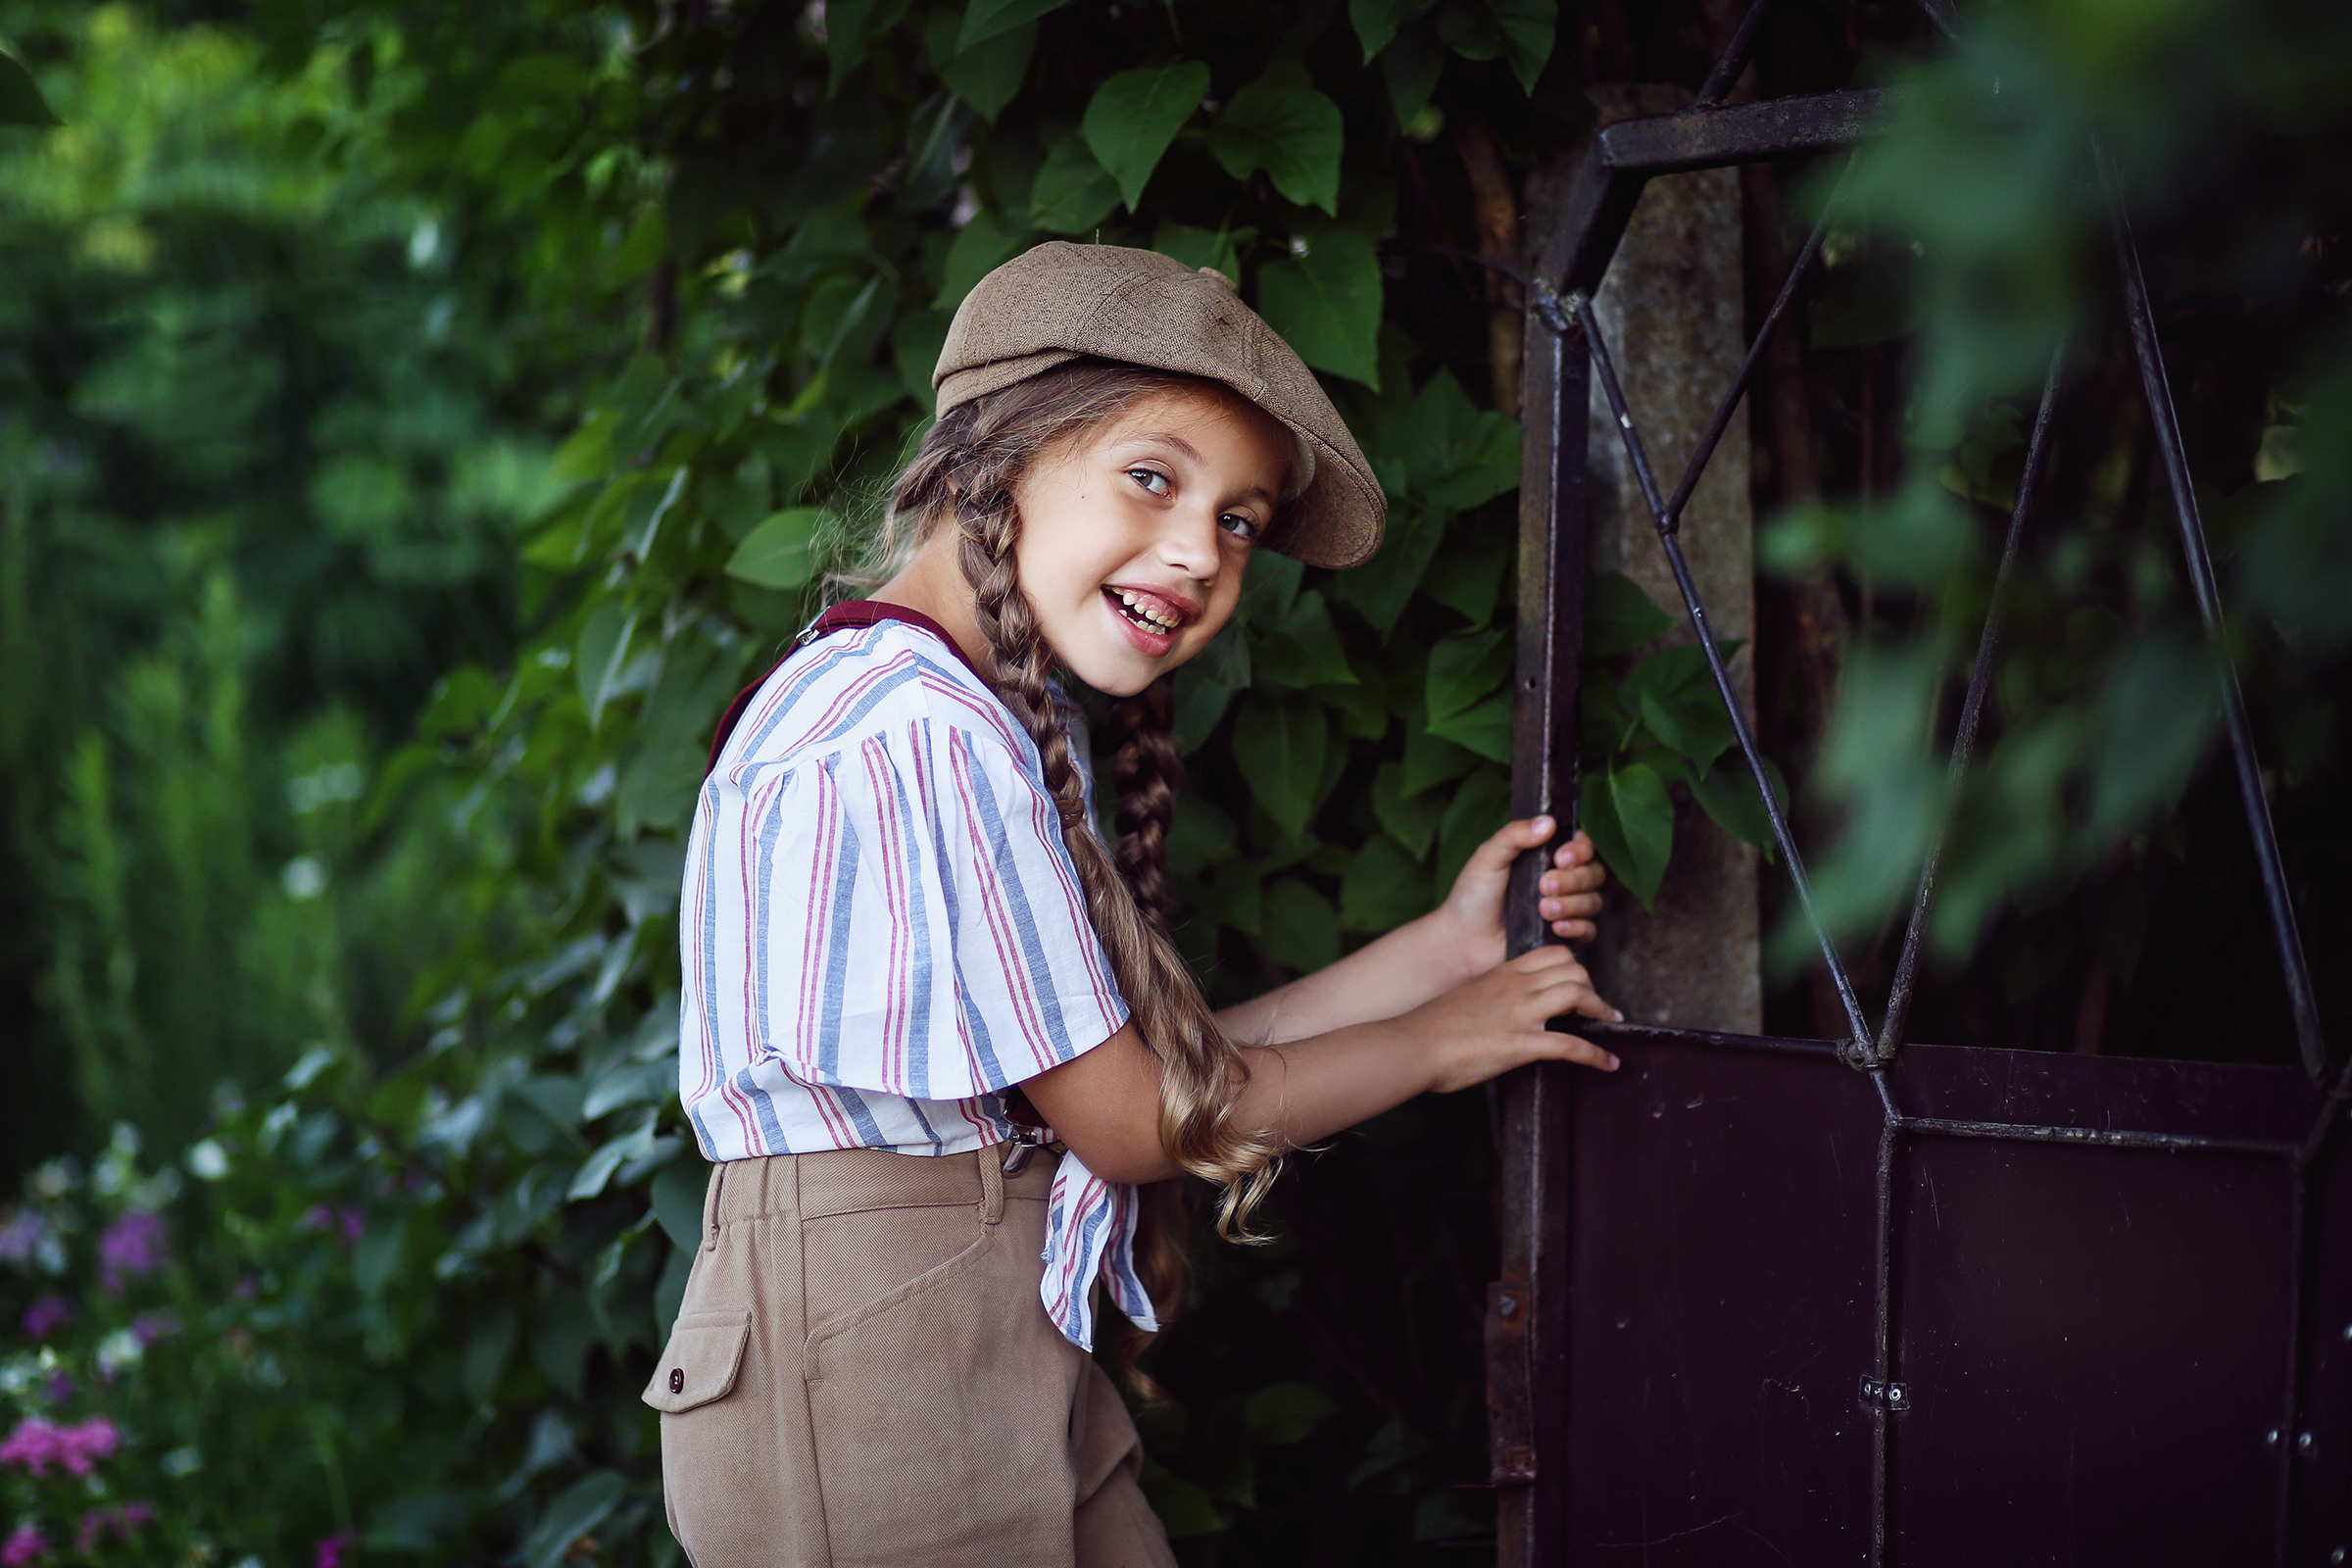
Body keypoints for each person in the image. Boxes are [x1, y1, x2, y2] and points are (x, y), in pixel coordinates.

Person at [644, 242, 1619, 1568]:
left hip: (967, 1335)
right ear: (992, 456)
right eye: (1154, 478)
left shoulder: (959, 714)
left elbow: (1144, 1070)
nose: (1201, 551)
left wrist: (1444, 953)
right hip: (868, 1376)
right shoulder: (921, 730)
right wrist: (1452, 1042)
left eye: (1238, 521)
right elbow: (1130, 1125)